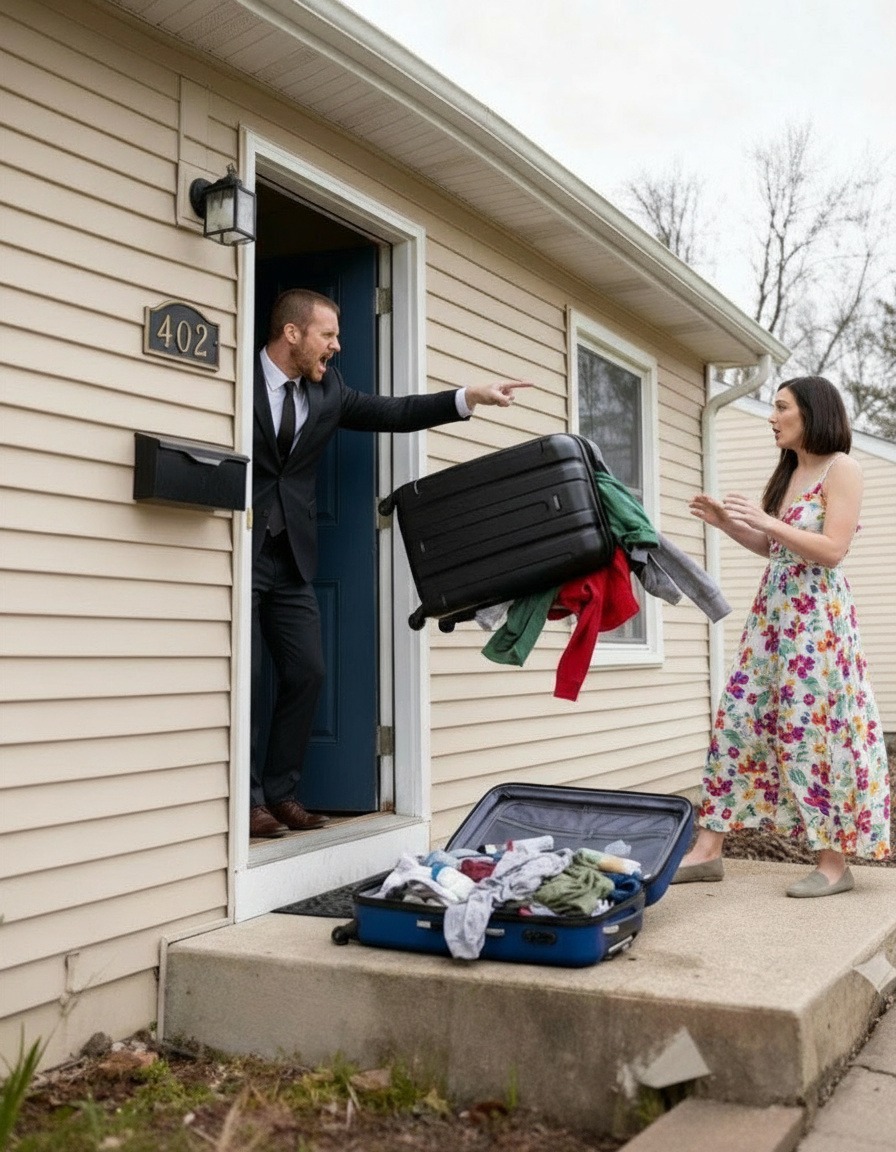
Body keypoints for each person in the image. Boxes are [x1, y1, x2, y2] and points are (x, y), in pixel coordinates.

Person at [250, 288, 531, 838]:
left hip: (294, 556)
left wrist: (467, 396)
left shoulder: (328, 391)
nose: (336, 345)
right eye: (328, 335)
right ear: (292, 334)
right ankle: (251, 802)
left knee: (307, 671)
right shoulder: (238, 375)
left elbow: (395, 412)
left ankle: (282, 793)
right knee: (248, 677)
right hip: (243, 544)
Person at [672, 376, 890, 896]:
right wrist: (730, 524)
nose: (772, 417)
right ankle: (708, 849)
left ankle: (833, 863)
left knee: (814, 731)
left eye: (781, 407)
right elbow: (779, 550)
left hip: (817, 623)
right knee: (739, 718)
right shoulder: (791, 471)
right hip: (773, 618)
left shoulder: (844, 468)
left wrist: (768, 522)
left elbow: (833, 549)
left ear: (811, 412)